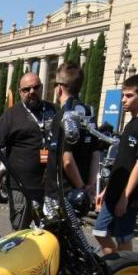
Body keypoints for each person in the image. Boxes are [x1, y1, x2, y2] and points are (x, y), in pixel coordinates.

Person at [93, 73, 138, 253]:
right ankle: (115, 268)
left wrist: (125, 197)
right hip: (114, 190)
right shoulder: (131, 124)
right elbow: (122, 161)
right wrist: (107, 189)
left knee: (123, 238)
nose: (123, 100)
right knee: (100, 231)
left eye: (129, 96)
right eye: (123, 95)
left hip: (128, 195)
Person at [0, 71, 58, 229]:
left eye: (35, 87)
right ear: (20, 92)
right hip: (21, 186)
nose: (31, 92)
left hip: (50, 186)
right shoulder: (11, 115)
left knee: (51, 232)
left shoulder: (54, 111)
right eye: (26, 89)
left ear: (41, 88)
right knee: (20, 231)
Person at [54, 61, 98, 197]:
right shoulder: (88, 113)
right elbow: (95, 155)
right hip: (83, 191)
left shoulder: (64, 115)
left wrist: (82, 187)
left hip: (63, 192)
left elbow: (67, 160)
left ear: (59, 88)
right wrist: (90, 186)